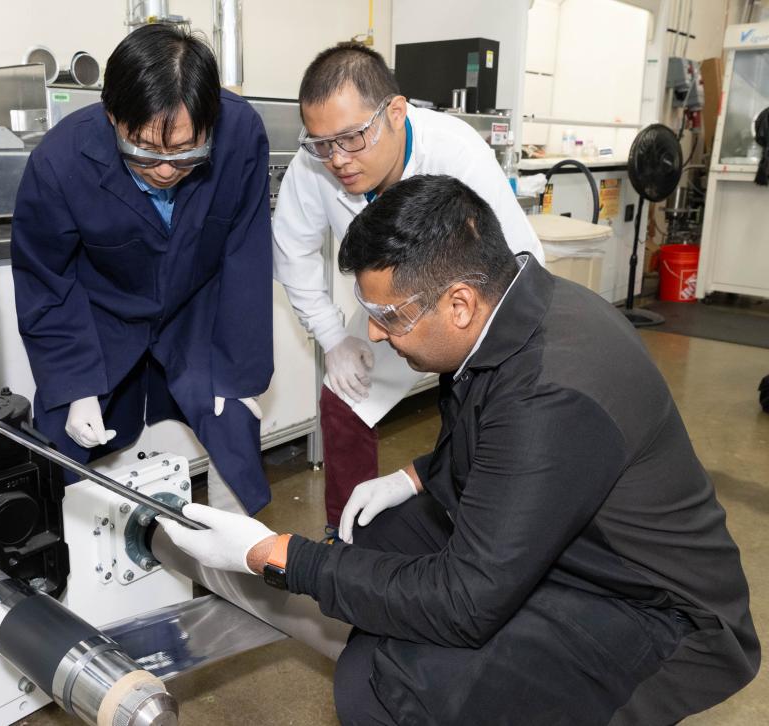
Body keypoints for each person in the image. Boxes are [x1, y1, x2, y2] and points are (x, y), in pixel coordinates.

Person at [159, 174, 759, 725]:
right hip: (578, 544)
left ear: (459, 304)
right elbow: (497, 444)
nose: (371, 333)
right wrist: (418, 476)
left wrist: (275, 554)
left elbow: (466, 601)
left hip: (653, 610)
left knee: (386, 684)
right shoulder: (508, 312)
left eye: (386, 316)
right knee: (375, 535)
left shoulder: (552, 393)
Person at [272, 42, 544, 538]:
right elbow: (293, 249)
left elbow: (521, 260)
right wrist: (334, 339)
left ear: (395, 112)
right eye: (321, 143)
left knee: (479, 411)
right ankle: (349, 538)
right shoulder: (315, 166)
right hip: (390, 309)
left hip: (471, 311)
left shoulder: (455, 150)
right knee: (343, 401)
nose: (337, 159)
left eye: (352, 138)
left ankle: (476, 531)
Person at [11, 24, 272, 514]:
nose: (168, 168)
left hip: (199, 307)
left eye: (187, 152)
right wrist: (75, 384)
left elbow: (246, 253)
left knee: (233, 431)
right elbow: (46, 279)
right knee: (57, 448)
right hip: (102, 314)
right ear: (112, 117)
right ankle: (66, 580)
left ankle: (240, 573)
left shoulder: (241, 134)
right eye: (145, 151)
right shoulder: (60, 160)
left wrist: (241, 375)